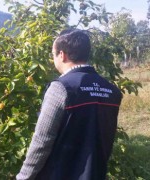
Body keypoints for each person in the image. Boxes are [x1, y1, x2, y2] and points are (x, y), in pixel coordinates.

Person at [17, 29, 122, 180]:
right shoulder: (111, 91)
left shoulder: (61, 88)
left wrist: (24, 177)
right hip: (95, 173)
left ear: (62, 55)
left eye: (53, 55)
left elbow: (42, 139)